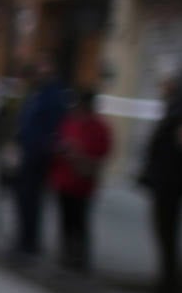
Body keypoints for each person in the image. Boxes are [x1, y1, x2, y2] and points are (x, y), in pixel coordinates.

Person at [136, 67, 182, 293]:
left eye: (166, 81)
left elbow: (181, 151)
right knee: (164, 241)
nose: (162, 85)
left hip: (171, 186)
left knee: (168, 242)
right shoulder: (175, 107)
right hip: (165, 185)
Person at [10, 59, 68, 262]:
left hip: (37, 156)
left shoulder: (52, 96)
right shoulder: (34, 94)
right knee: (23, 198)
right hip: (27, 152)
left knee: (31, 199)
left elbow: (53, 127)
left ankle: (29, 242)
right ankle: (23, 239)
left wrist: (43, 149)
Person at [48, 89, 112, 273]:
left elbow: (103, 151)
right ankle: (66, 255)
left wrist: (83, 157)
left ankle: (80, 259)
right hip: (65, 178)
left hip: (83, 182)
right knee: (66, 220)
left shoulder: (98, 127)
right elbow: (58, 142)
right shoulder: (70, 122)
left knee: (80, 221)